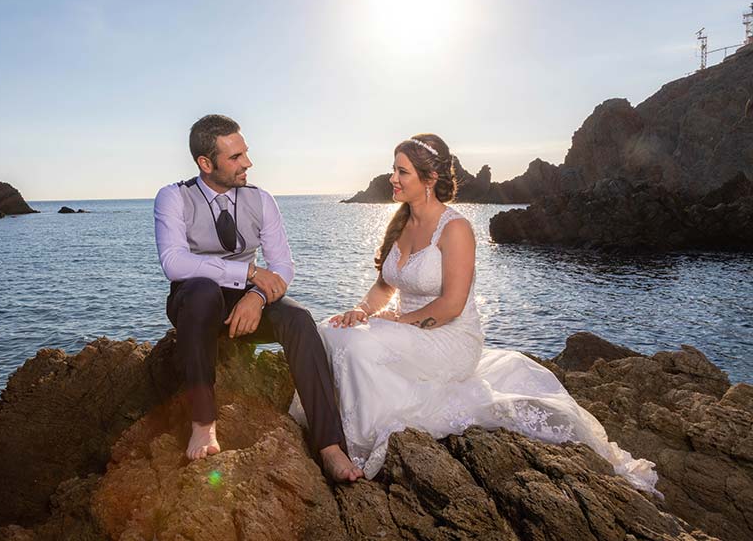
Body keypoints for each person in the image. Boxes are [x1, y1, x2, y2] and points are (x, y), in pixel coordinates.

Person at [289, 134, 659, 494]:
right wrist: (361, 310)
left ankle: (359, 445)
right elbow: (385, 286)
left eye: (402, 172)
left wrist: (395, 322)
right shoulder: (400, 223)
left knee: (360, 348)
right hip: (406, 329)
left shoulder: (456, 229)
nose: (393, 179)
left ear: (429, 180)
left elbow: (452, 305)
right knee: (330, 329)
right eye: (394, 170)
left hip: (449, 337)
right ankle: (331, 434)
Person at [154, 114, 363, 482]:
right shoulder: (174, 197)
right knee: (202, 291)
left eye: (245, 153)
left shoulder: (261, 200)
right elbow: (174, 263)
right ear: (206, 163)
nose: (247, 163)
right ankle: (203, 423)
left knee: (299, 319)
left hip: (247, 304)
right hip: (194, 304)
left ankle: (330, 446)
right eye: (235, 157)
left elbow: (282, 266)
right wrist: (248, 273)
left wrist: (256, 297)